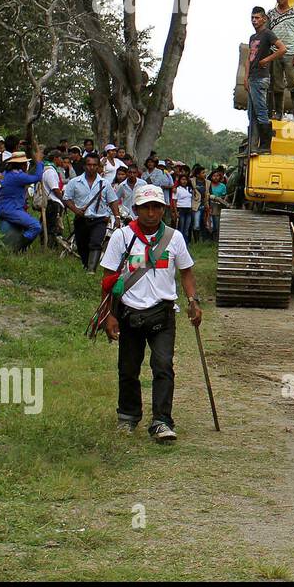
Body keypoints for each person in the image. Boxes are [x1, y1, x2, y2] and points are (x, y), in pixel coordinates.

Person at [100, 182, 201, 441]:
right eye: (145, 207)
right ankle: (128, 416)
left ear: (163, 210)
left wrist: (193, 300)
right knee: (128, 368)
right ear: (135, 209)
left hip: (163, 312)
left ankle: (162, 421)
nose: (151, 213)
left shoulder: (174, 238)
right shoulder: (121, 237)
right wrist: (108, 314)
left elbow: (186, 272)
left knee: (163, 366)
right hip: (129, 312)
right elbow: (109, 277)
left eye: (156, 207)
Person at [64, 152, 122, 271]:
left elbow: (113, 201)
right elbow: (67, 198)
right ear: (85, 166)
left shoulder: (104, 184)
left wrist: (117, 217)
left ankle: (91, 270)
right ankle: (86, 265)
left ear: (98, 167)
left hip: (100, 219)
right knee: (82, 245)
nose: (92, 167)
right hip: (81, 219)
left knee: (96, 243)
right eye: (89, 165)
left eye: (95, 165)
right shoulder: (74, 182)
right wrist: (75, 210)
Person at [245, 6, 286, 154]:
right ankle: (252, 146)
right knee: (251, 114)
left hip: (261, 78)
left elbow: (282, 48)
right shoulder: (252, 37)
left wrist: (266, 60)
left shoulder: (267, 34)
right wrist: (245, 77)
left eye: (257, 18)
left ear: (264, 19)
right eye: (252, 18)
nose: (254, 21)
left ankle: (265, 146)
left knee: (261, 112)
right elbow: (249, 58)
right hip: (252, 78)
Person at [0, 149, 45, 252]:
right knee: (35, 226)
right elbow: (37, 177)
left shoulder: (7, 173)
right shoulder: (17, 176)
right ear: (22, 165)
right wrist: (39, 162)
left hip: (6, 207)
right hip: (11, 209)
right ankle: (17, 249)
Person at [267, 0, 294, 120]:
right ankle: (279, 113)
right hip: (274, 53)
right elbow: (266, 33)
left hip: (290, 53)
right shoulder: (270, 14)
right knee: (277, 84)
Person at [41, 150, 68, 249]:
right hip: (53, 202)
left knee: (50, 226)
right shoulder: (50, 171)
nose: (62, 160)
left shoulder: (50, 169)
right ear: (55, 158)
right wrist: (64, 200)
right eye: (60, 158)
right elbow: (55, 189)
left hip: (52, 202)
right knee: (52, 227)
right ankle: (50, 246)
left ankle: (49, 245)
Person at [174, 174, 196, 241]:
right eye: (182, 179)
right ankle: (179, 242)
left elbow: (193, 198)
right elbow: (174, 201)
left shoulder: (189, 189)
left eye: (185, 180)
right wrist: (176, 212)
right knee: (181, 227)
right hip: (181, 209)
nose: (184, 181)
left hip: (189, 209)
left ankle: (185, 242)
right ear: (180, 180)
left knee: (187, 227)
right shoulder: (177, 189)